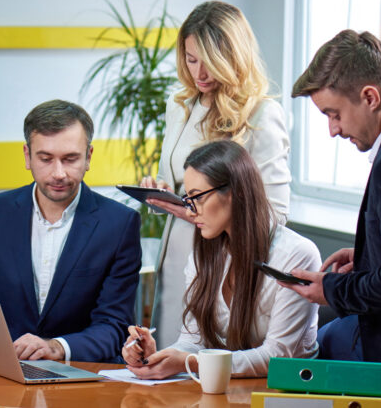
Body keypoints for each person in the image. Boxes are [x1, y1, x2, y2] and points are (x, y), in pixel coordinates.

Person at [0, 99, 141, 363]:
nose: (58, 173)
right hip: (2, 370)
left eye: (70, 159)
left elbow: (115, 326)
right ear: (27, 156)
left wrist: (57, 347)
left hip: (81, 374)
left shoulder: (119, 223)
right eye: (45, 159)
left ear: (89, 157)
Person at [142, 1, 291, 347]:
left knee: (213, 369)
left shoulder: (262, 114)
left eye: (209, 61)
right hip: (177, 250)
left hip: (226, 262)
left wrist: (202, 209)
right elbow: (180, 182)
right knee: (170, 360)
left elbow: (277, 216)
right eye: (191, 60)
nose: (199, 73)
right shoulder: (180, 106)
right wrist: (159, 193)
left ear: (233, 57)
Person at [123, 140, 320, 378]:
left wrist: (192, 362)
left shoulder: (296, 255)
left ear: (236, 192)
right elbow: (192, 341)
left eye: (198, 197)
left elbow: (277, 357)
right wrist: (156, 357)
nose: (190, 210)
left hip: (286, 392)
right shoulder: (204, 252)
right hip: (226, 390)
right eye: (188, 199)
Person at [283, 29, 381, 363]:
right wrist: (370, 255)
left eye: (333, 113)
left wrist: (330, 289)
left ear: (370, 97)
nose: (333, 130)